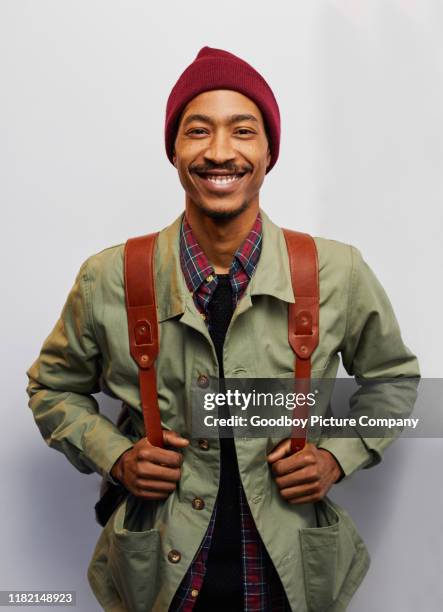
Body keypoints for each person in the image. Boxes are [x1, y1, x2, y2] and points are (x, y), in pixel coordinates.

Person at [26, 46, 420, 612]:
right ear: (174, 149)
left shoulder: (337, 272)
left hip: (290, 577)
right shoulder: (109, 277)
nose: (219, 152)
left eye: (243, 130)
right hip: (160, 577)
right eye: (197, 131)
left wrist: (337, 456)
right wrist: (116, 456)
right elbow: (50, 387)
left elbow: (398, 382)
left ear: (267, 151)